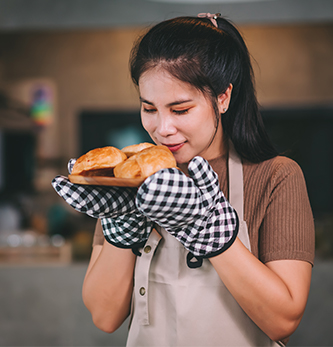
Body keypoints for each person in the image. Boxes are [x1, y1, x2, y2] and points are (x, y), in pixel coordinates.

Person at [52, 13, 315, 346]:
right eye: (149, 108)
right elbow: (105, 316)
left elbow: (283, 320)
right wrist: (121, 226)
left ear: (223, 97)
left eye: (180, 110)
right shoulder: (130, 180)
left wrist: (212, 233)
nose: (162, 128)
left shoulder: (276, 176)